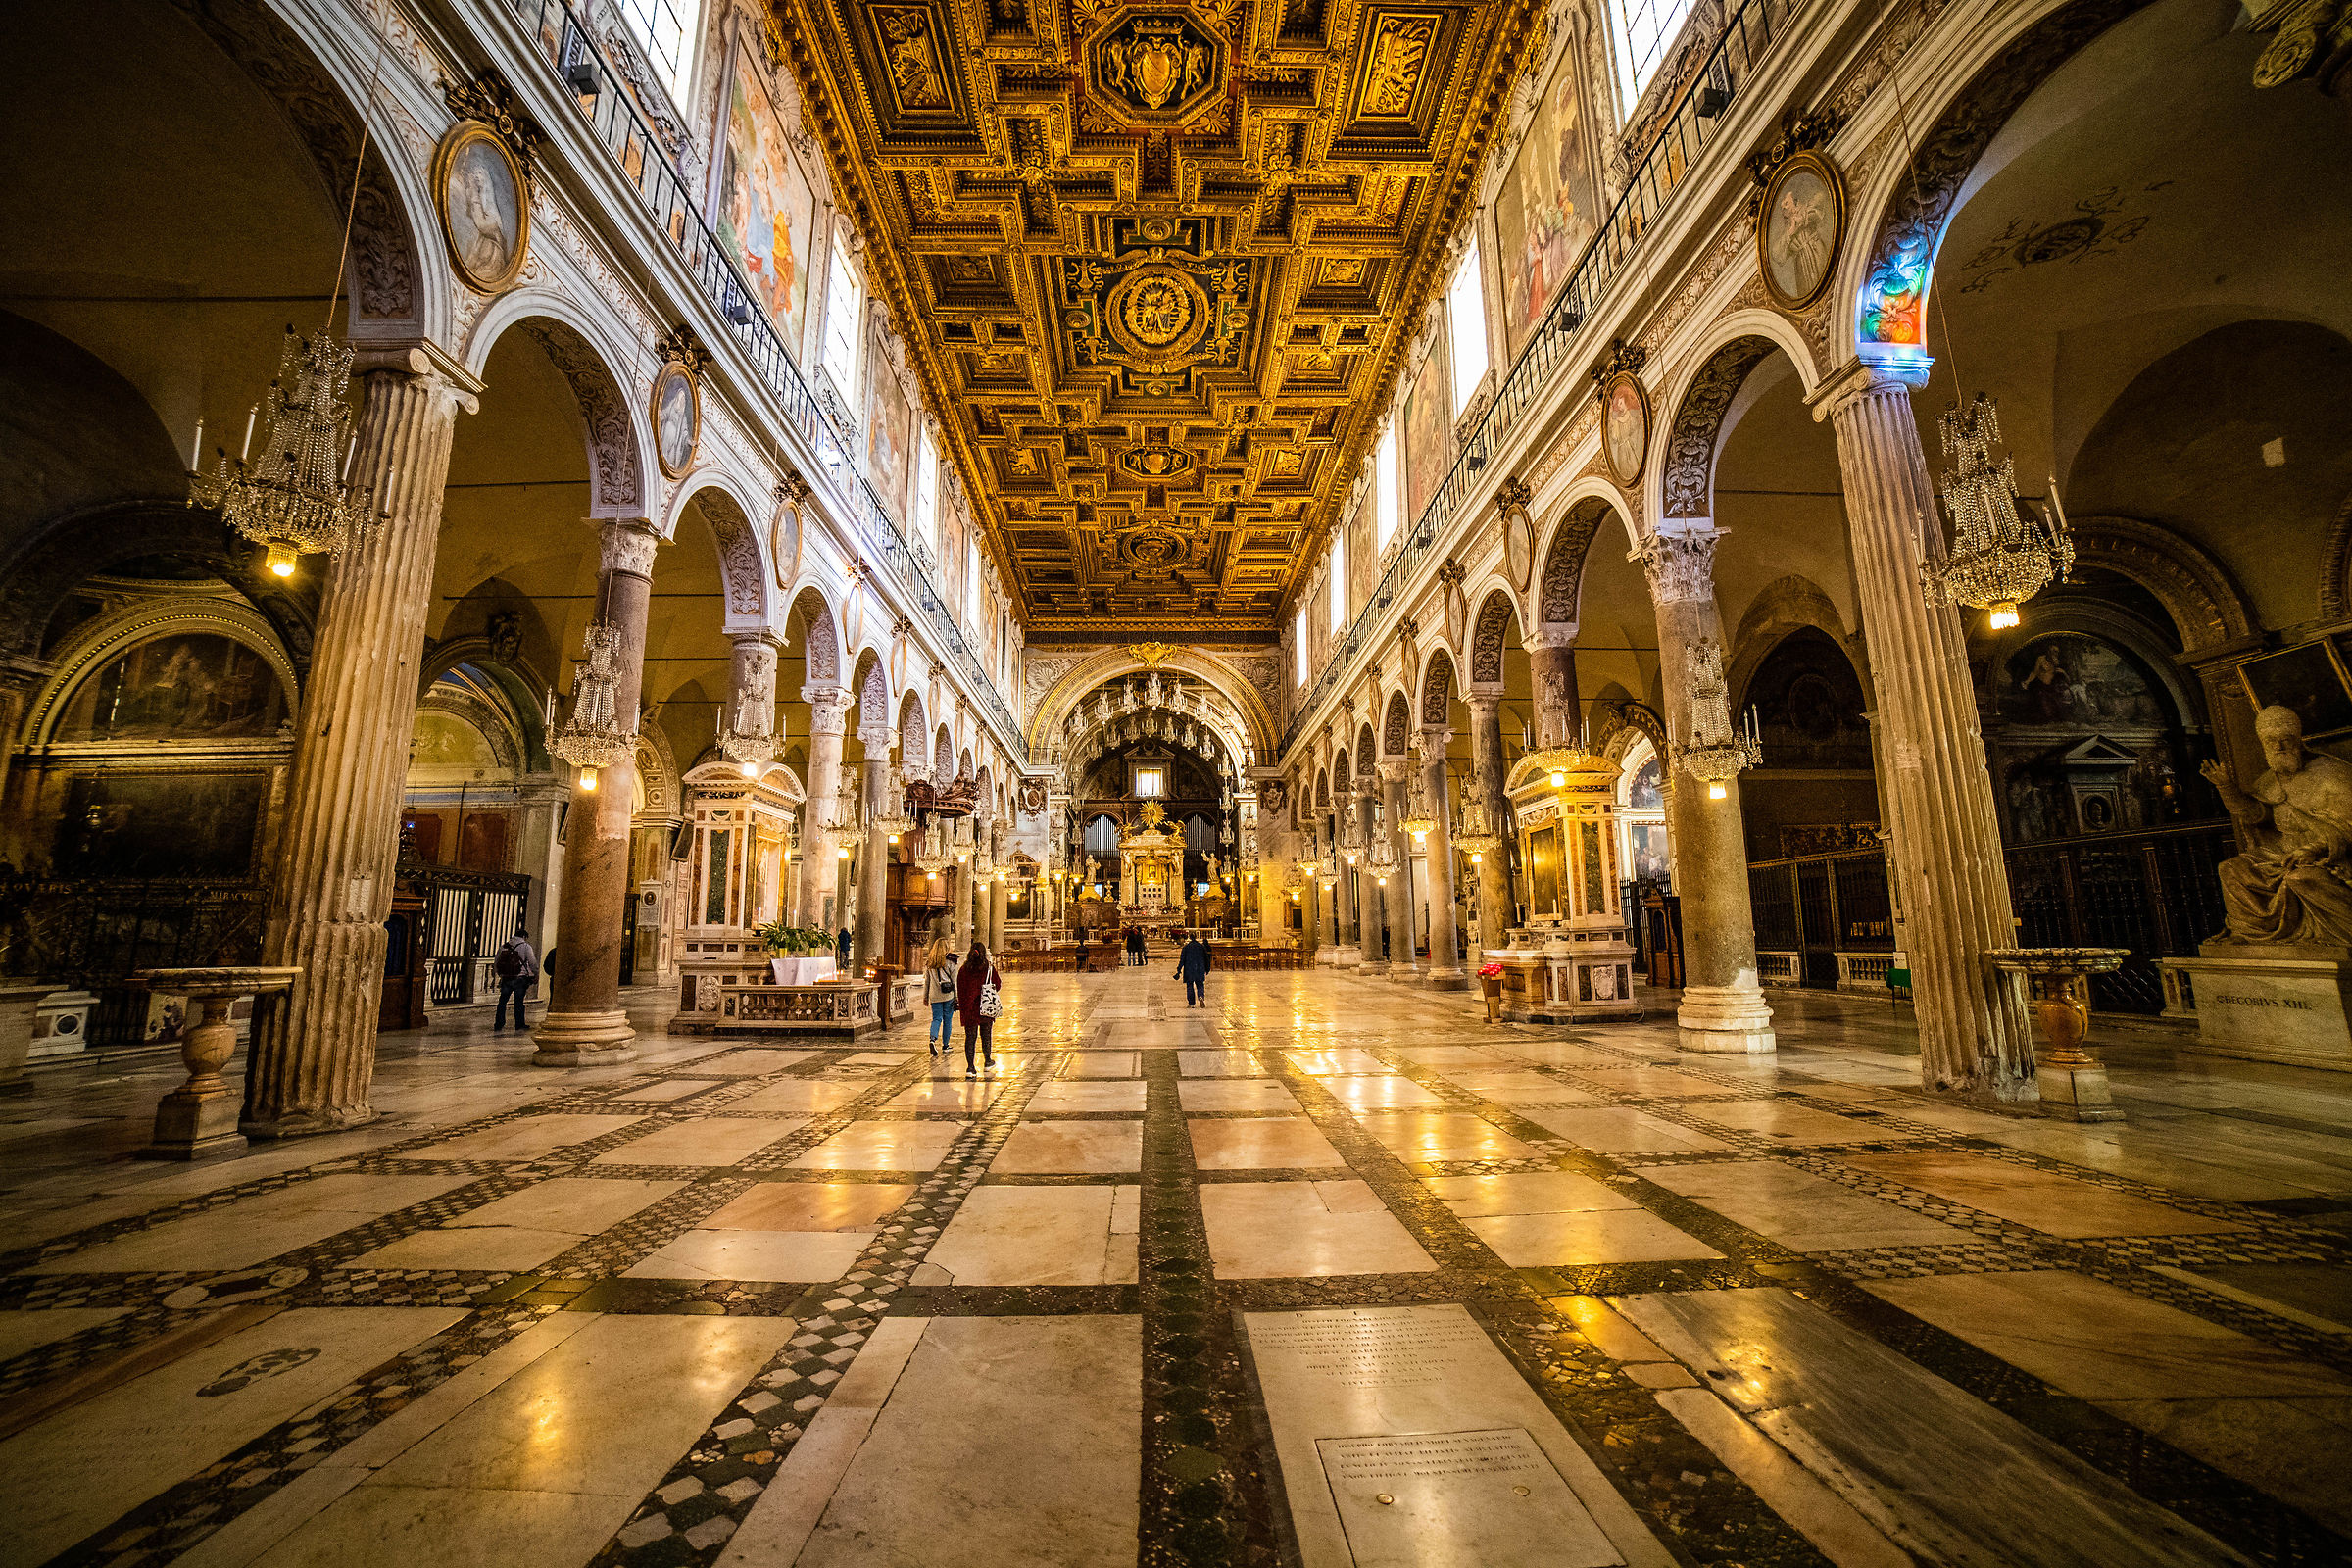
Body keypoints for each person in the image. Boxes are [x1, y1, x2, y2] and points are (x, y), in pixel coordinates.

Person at [2203, 705, 2352, 947]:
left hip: (2331, 858)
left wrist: (2313, 849)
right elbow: (2256, 816)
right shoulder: (2267, 781)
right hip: (2281, 854)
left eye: (2285, 740)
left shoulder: (2332, 774)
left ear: (2298, 739)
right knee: (2232, 869)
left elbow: (2348, 827)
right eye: (2271, 741)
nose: (2279, 747)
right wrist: (2226, 788)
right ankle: (2250, 931)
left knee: (2300, 878)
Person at [956, 941, 1003, 1078]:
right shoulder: (988, 968)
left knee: (970, 1038)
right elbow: (997, 985)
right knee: (986, 1035)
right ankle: (987, 1061)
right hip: (985, 1007)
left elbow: (960, 988)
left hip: (969, 1008)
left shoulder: (964, 970)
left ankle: (970, 1068)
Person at [491, 930, 536, 1032]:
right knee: (519, 1002)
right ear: (524, 936)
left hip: (506, 978)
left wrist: (500, 974)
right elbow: (532, 962)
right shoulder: (526, 946)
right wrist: (535, 974)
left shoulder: (504, 946)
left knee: (502, 1001)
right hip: (520, 978)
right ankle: (519, 1024)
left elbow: (497, 961)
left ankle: (499, 1023)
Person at [923, 936, 958, 1059]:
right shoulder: (951, 962)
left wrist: (925, 997)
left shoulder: (930, 962)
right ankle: (945, 1045)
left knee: (936, 1019)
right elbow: (955, 982)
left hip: (934, 995)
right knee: (947, 1020)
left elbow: (927, 981)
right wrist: (957, 997)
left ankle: (932, 1039)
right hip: (947, 995)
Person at [1177, 932, 1211, 1007]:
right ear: (1196, 937)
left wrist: (1178, 970)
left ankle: (1191, 1003)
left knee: (1189, 985)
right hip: (1200, 968)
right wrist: (1207, 968)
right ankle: (1201, 996)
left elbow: (1182, 960)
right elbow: (1206, 958)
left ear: (1189, 937)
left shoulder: (1186, 947)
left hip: (1189, 969)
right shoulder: (1201, 946)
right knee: (1200, 984)